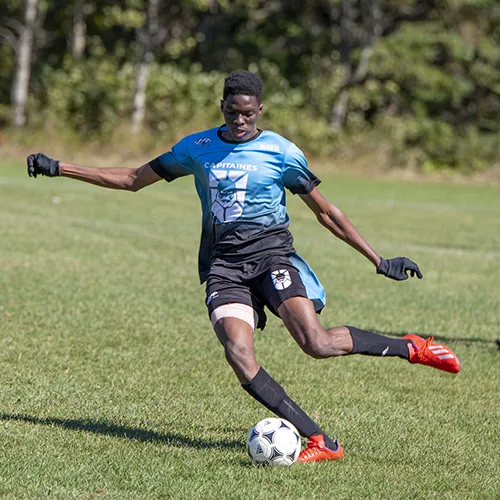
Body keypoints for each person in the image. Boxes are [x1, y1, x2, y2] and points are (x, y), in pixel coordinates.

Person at [27, 70, 461, 463]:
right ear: (223, 108)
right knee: (238, 353)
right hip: (224, 267)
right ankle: (320, 440)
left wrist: (379, 259)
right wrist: (60, 168)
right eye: (233, 114)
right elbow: (131, 179)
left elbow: (326, 212)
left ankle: (412, 347)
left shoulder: (281, 152)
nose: (240, 122)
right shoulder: (196, 148)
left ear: (259, 111)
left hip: (272, 256)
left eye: (249, 115)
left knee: (316, 343)